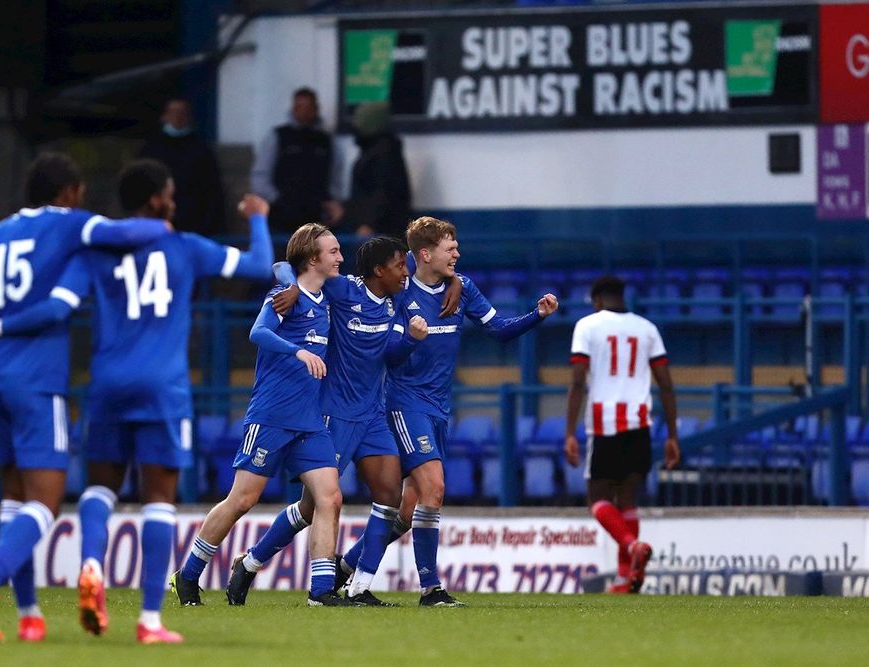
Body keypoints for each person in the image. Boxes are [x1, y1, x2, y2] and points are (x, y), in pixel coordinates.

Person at [0, 159, 273, 642]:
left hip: (108, 384)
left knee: (99, 489)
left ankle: (92, 563)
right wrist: (258, 216)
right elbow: (259, 265)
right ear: (157, 198)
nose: (174, 199)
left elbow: (58, 306)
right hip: (162, 387)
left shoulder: (97, 254)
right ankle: (149, 620)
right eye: (170, 191)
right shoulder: (184, 247)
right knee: (158, 499)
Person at [0, 152, 172, 642]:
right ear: (70, 192)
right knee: (46, 502)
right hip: (36, 382)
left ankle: (30, 616)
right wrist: (166, 225)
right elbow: (132, 234)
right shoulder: (71, 224)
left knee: (13, 499)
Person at [212, 236, 459, 607]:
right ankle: (251, 561)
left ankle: (358, 586)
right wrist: (292, 287)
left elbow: (394, 347)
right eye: (398, 267)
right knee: (312, 508)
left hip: (373, 414)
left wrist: (414, 335)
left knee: (390, 496)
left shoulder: (397, 298)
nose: (405, 273)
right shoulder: (342, 290)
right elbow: (291, 268)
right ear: (379, 270)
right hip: (333, 414)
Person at [350, 215, 558, 606]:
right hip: (403, 403)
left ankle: (351, 572)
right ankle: (430, 589)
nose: (458, 253)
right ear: (425, 253)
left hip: (438, 409)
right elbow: (390, 358)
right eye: (450, 248)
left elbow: (498, 330)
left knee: (407, 511)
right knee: (435, 487)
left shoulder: (462, 289)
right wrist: (412, 338)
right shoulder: (400, 292)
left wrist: (538, 315)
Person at [171, 223, 353, 606]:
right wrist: (297, 351)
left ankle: (320, 591)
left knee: (330, 497)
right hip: (270, 415)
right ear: (312, 257)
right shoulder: (283, 297)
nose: (340, 257)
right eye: (333, 251)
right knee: (241, 500)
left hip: (309, 420)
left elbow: (280, 265)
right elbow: (258, 333)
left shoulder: (324, 296)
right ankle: (188, 575)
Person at [564, 275, 681, 594]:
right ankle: (625, 579)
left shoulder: (587, 326)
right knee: (627, 499)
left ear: (597, 300)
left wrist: (569, 432)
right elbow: (666, 385)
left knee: (598, 499)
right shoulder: (647, 329)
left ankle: (631, 547)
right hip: (639, 422)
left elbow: (577, 382)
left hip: (604, 422)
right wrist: (672, 435)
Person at [250, 87, 345, 234]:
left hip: (317, 218)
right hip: (282, 219)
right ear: (293, 108)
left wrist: (332, 202)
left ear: (316, 108)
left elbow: (335, 177)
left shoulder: (326, 141)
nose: (304, 112)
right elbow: (260, 175)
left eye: (308, 107)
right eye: (300, 107)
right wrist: (278, 200)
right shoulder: (278, 137)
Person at [139, 98, 227, 236]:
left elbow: (213, 192)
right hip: (156, 225)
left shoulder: (201, 150)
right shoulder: (151, 150)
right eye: (173, 112)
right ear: (164, 116)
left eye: (182, 113)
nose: (178, 117)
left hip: (194, 225)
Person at [340, 102, 411, 238]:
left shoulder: (384, 154)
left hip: (379, 231)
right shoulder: (377, 151)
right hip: (377, 230)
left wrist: (368, 223)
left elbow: (383, 193)